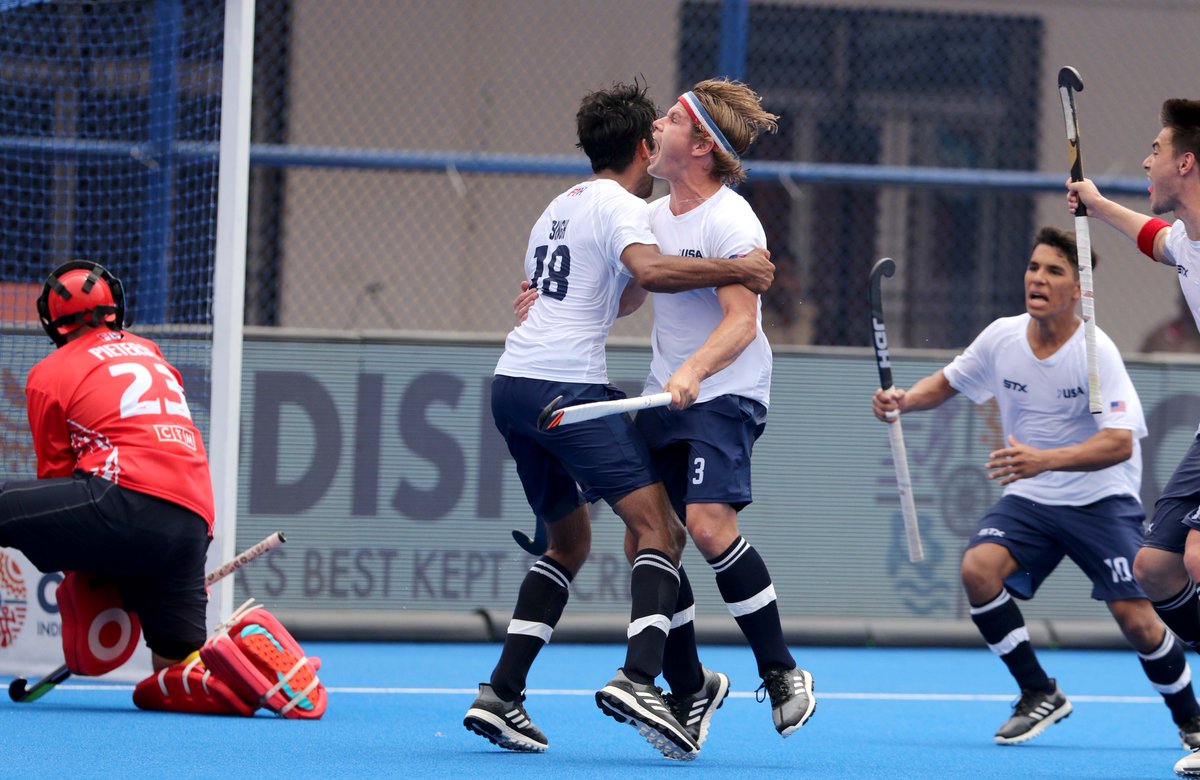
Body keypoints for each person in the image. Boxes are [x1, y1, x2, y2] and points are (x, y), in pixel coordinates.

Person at [462, 80, 776, 760]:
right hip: (566, 390)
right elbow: (655, 275)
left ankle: (502, 694)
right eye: (658, 122)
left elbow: (596, 292)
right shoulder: (619, 204)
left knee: (568, 542)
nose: (664, 128)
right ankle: (641, 678)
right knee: (658, 527)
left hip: (512, 386)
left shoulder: (559, 204)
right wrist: (742, 269)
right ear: (642, 146)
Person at [872, 227, 1200, 750]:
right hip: (1031, 499)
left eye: (1054, 271)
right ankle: (1038, 691)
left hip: (1101, 500)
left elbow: (1118, 444)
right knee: (978, 571)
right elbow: (952, 378)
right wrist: (904, 400)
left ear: (1078, 291)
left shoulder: (1097, 353)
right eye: (1033, 267)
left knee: (1138, 621)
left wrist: (1042, 459)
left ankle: (1191, 719)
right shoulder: (1002, 336)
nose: (1038, 279)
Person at [624, 78, 816, 744]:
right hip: (665, 392)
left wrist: (693, 371)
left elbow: (740, 322)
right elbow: (626, 298)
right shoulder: (649, 217)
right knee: (647, 537)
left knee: (707, 526)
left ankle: (782, 669)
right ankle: (691, 691)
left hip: (725, 390)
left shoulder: (730, 219)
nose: (655, 123)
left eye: (671, 118)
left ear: (701, 143)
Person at [1066, 98, 1200, 775]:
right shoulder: (1187, 242)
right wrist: (1093, 201)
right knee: (1155, 568)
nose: (1145, 160)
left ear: (1186, 162)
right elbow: (1153, 239)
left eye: (1155, 150)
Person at [1, 261, 213, 677]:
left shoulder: (49, 372)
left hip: (122, 502)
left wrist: (86, 574)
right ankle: (237, 683)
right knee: (176, 672)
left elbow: (58, 479)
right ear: (116, 308)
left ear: (52, 321)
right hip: (193, 522)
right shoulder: (150, 351)